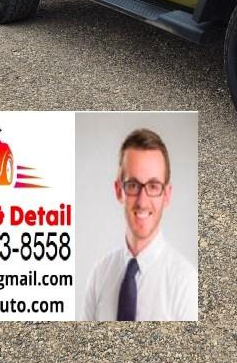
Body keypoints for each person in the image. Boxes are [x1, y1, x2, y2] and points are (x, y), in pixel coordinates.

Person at [82, 128, 198, 321]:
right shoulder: (99, 274)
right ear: (119, 190)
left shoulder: (186, 284)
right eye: (133, 185)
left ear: (166, 195)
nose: (142, 201)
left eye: (153, 186)